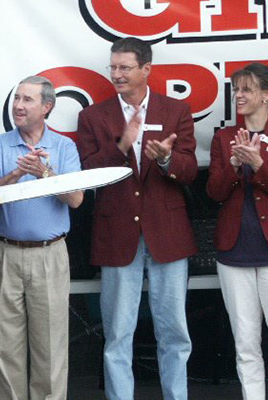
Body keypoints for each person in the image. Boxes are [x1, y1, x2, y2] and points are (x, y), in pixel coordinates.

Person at [76, 37, 197, 400]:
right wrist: (122, 147)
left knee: (174, 332)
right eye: (113, 67)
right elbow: (85, 173)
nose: (116, 74)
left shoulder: (175, 110)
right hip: (116, 235)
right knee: (117, 333)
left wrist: (165, 160)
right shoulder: (93, 116)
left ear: (146, 69)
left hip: (168, 234)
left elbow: (189, 171)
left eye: (124, 67)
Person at [0, 75, 83, 399]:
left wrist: (46, 175)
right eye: (16, 99)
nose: (18, 106)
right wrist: (17, 173)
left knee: (50, 348)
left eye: (27, 100)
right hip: (5, 254)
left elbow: (77, 199)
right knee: (4, 347)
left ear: (47, 107)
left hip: (49, 254)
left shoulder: (64, 146)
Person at [207, 62, 268, 400]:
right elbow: (214, 193)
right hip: (234, 252)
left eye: (246, 89)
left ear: (265, 95)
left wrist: (259, 164)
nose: (239, 96)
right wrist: (233, 165)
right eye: (236, 89)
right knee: (245, 342)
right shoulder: (224, 137)